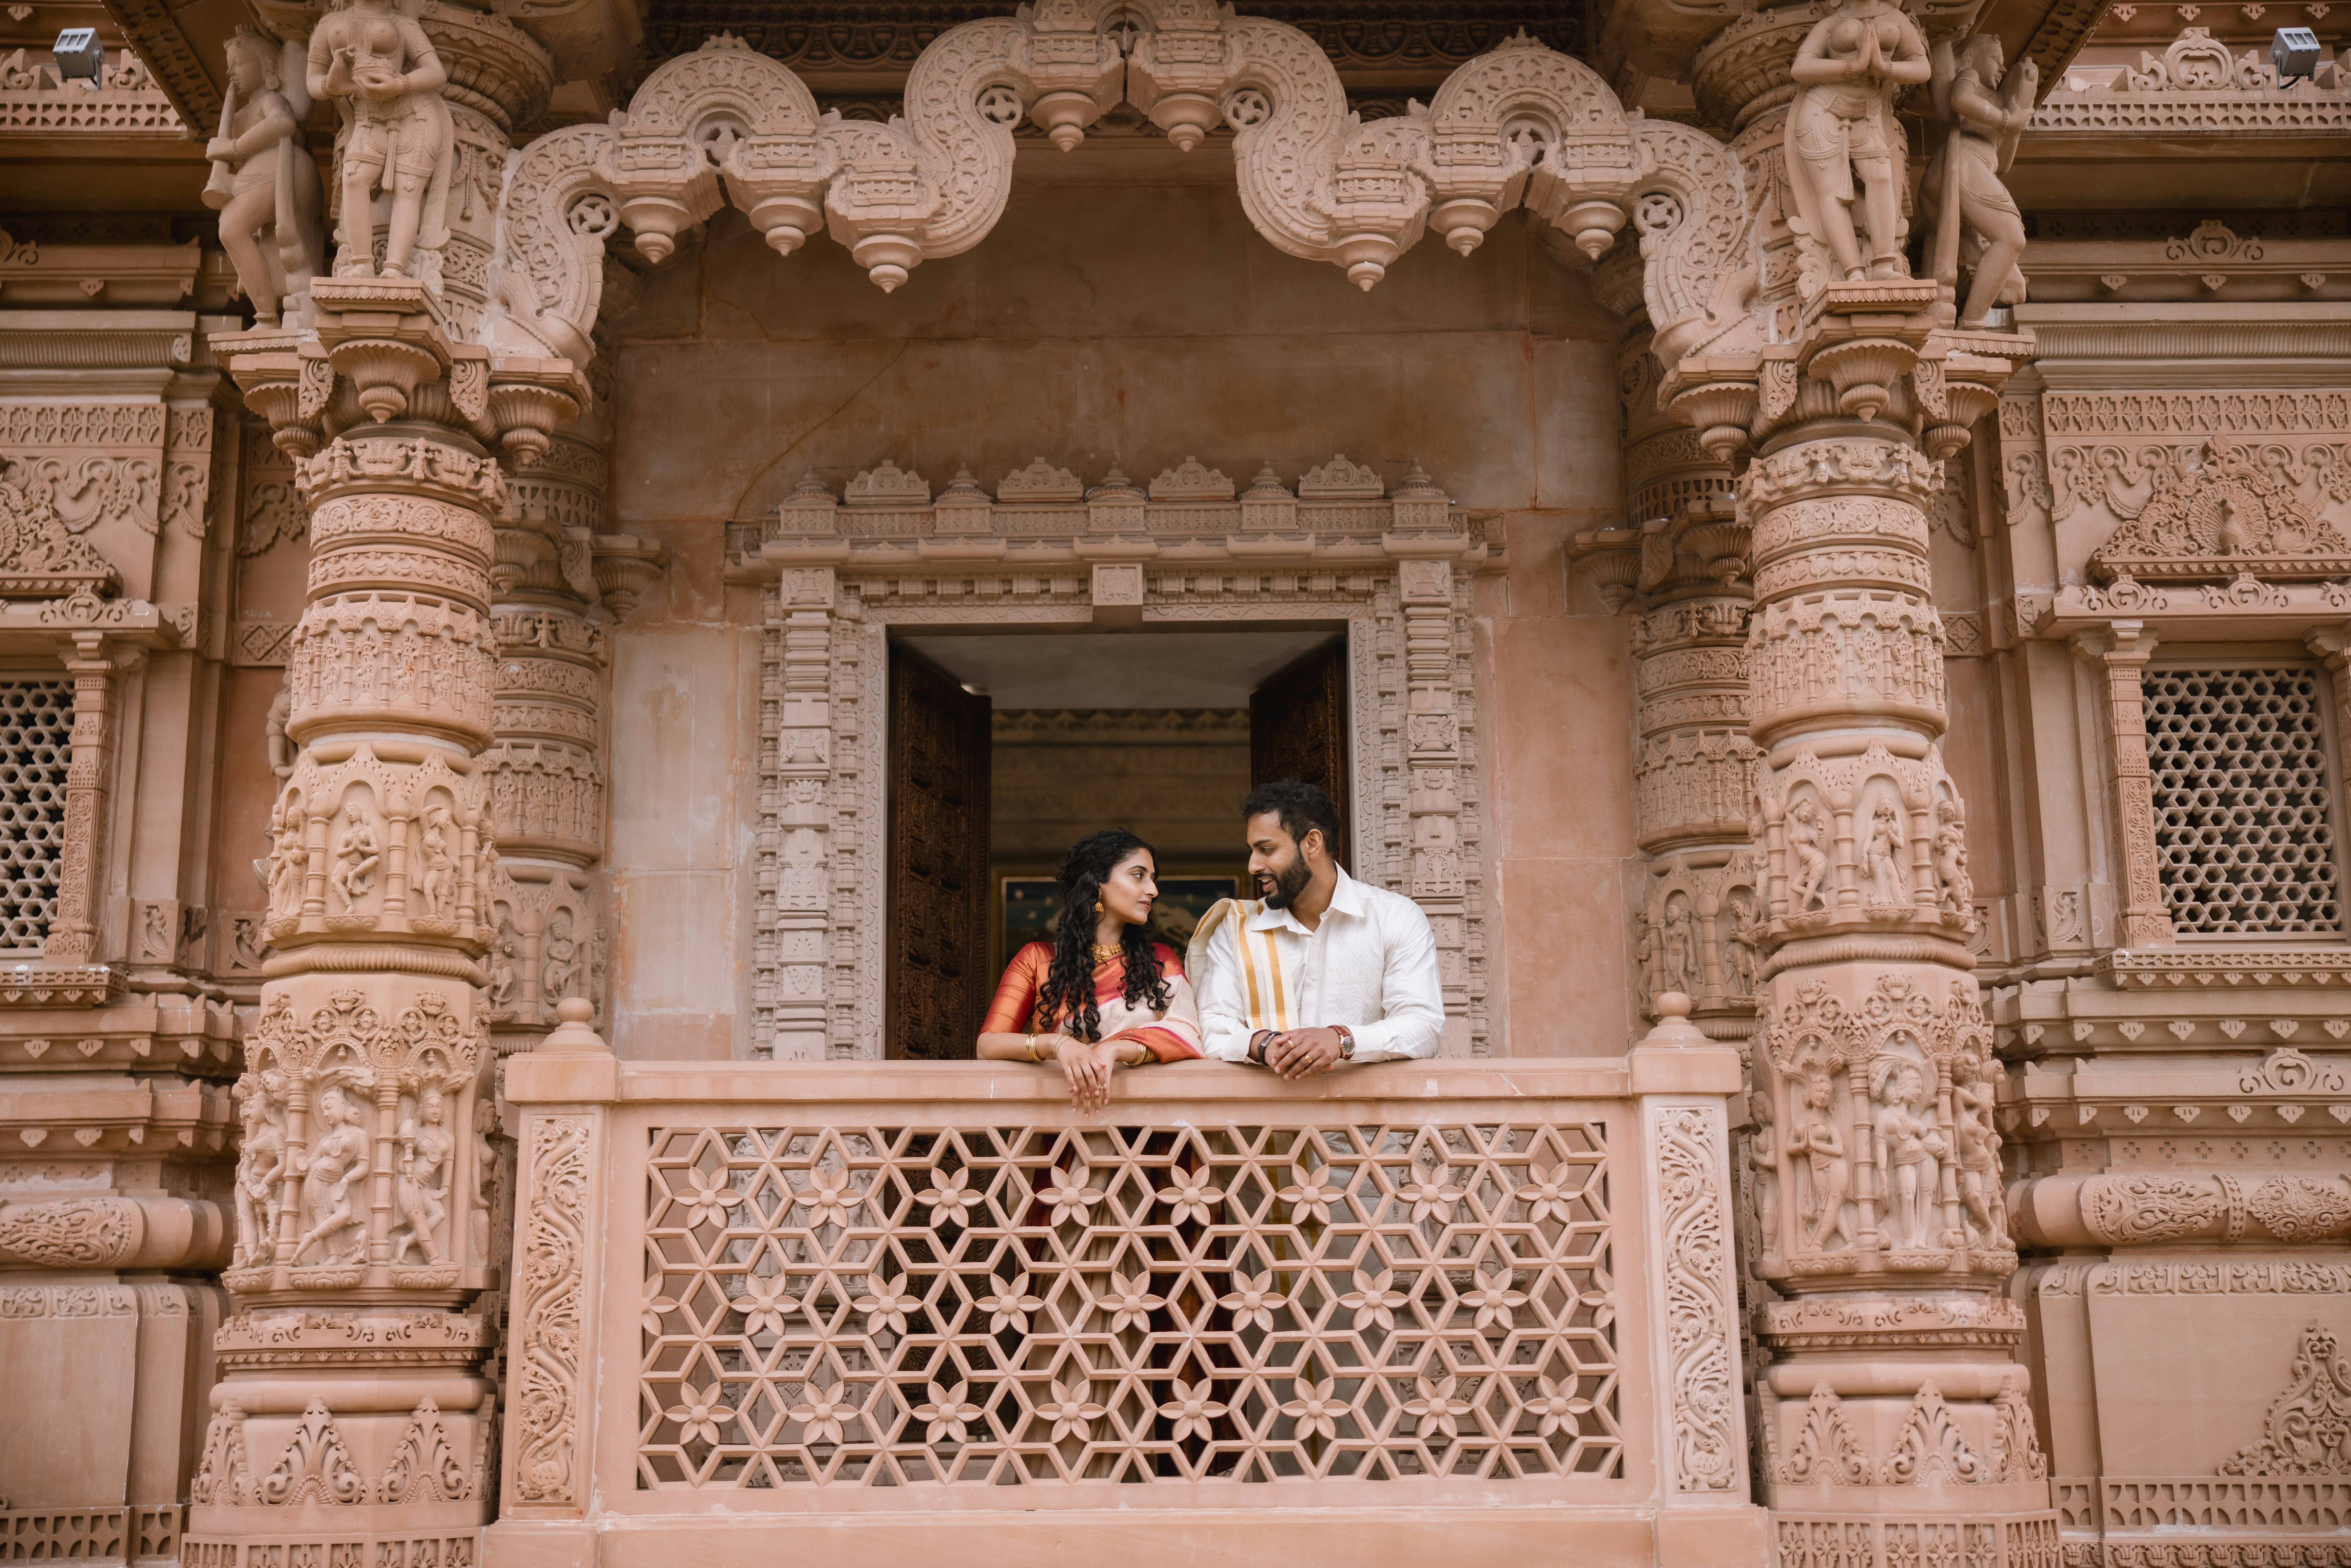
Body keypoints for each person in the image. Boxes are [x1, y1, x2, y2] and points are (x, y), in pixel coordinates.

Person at [1190, 780, 1444, 1076]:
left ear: (1312, 843)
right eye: (1252, 850)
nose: (1252, 865)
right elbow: (1211, 1027)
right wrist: (1265, 1044)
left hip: (1365, 1120)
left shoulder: (1394, 918)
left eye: (1266, 849)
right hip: (1262, 1120)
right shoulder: (1237, 929)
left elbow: (1423, 1027)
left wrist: (1341, 1039)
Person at [977, 828, 1202, 1111]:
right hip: (1065, 1123)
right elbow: (987, 1045)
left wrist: (1116, 1048)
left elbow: (1187, 1032)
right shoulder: (1037, 960)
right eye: (1138, 875)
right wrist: (1057, 1046)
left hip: (1147, 1128)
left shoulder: (1160, 961)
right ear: (1098, 882)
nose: (1153, 890)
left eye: (1153, 878)